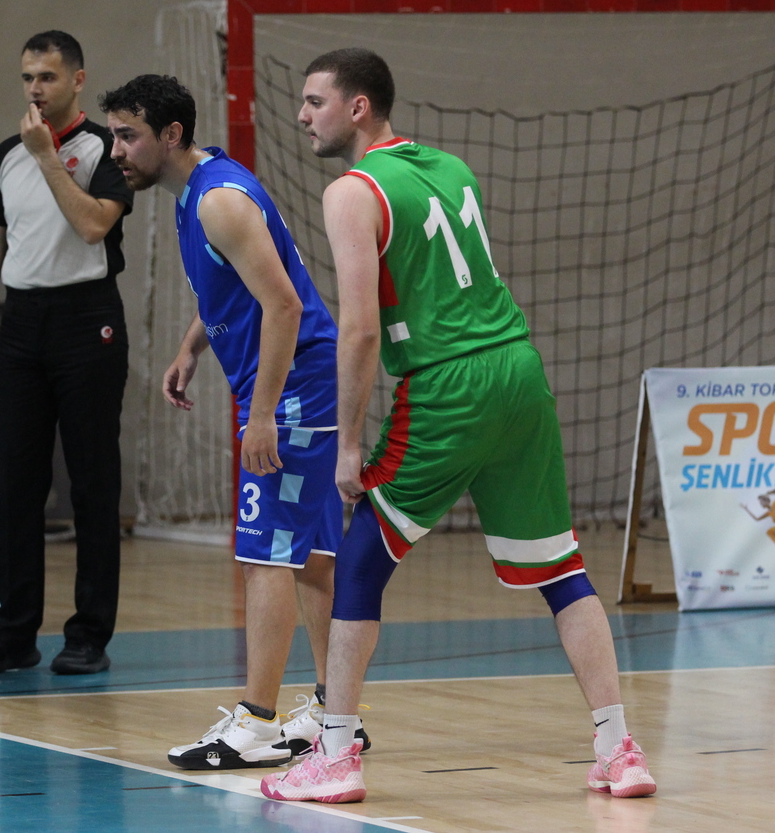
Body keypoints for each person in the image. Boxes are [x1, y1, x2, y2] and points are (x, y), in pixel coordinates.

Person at [262, 49, 656, 803]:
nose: (302, 115)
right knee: (562, 570)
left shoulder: (351, 192)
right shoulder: (451, 168)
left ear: (358, 107)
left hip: (449, 383)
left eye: (315, 101)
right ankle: (619, 749)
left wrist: (349, 444)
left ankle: (336, 755)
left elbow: (360, 330)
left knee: (360, 560)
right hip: (520, 372)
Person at [101, 75, 354, 769]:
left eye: (128, 135)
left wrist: (263, 413)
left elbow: (284, 306)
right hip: (298, 383)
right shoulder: (202, 187)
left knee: (264, 555)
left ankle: (258, 722)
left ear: (171, 135)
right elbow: (236, 283)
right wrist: (192, 346)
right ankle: (335, 713)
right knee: (313, 557)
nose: (116, 150)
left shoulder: (218, 200)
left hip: (292, 388)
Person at [0, 31, 133, 676]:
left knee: (91, 482)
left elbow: (93, 225)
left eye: (47, 77)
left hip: (88, 320)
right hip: (22, 323)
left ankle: (89, 635)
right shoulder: (8, 153)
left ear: (77, 80)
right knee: (15, 482)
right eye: (27, 77)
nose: (34, 88)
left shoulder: (106, 149)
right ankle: (14, 632)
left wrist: (48, 157)